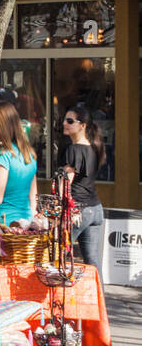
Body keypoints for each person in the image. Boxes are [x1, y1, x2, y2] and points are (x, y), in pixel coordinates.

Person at [60, 103, 106, 275]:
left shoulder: (74, 150)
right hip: (95, 209)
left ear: (83, 126)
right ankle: (99, 301)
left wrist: (57, 211)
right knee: (93, 264)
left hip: (78, 211)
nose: (65, 123)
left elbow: (65, 186)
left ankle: (52, 298)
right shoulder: (93, 147)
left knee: (56, 255)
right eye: (64, 120)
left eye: (70, 121)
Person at [0, 100, 38, 225]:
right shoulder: (29, 154)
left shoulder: (4, 156)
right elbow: (33, 197)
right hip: (25, 223)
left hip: (5, 224)